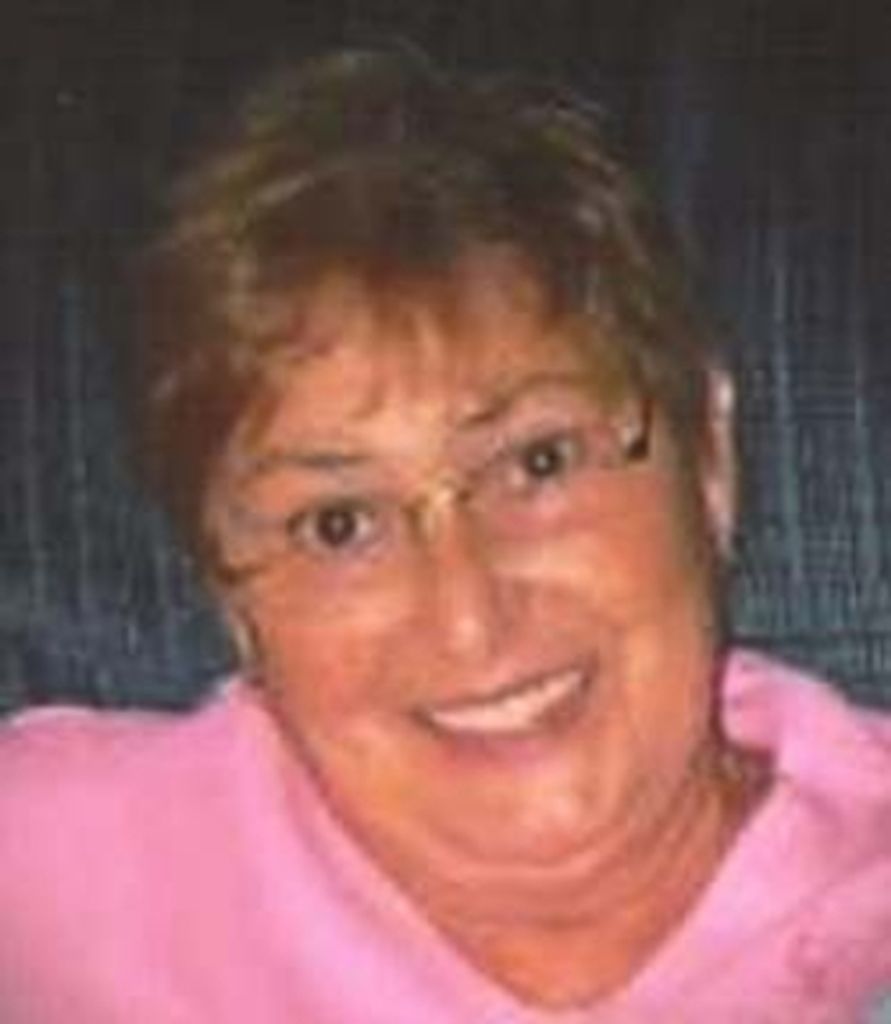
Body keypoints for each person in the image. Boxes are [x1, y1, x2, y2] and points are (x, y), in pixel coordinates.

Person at [0, 48, 889, 1023]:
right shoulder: (65, 867)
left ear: (708, 455)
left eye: (537, 462)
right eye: (338, 524)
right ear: (228, 596)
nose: (467, 616)